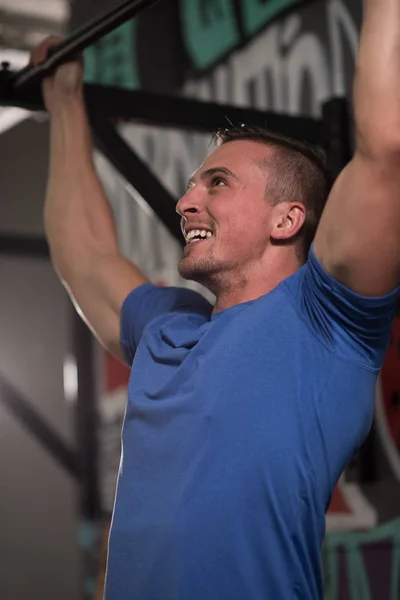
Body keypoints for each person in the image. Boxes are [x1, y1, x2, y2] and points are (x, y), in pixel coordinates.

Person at [30, 0, 400, 596]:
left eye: (217, 183)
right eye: (191, 184)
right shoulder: (168, 329)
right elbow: (86, 257)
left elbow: (386, 147)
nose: (184, 203)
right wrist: (66, 102)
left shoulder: (326, 321)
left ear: (288, 219)